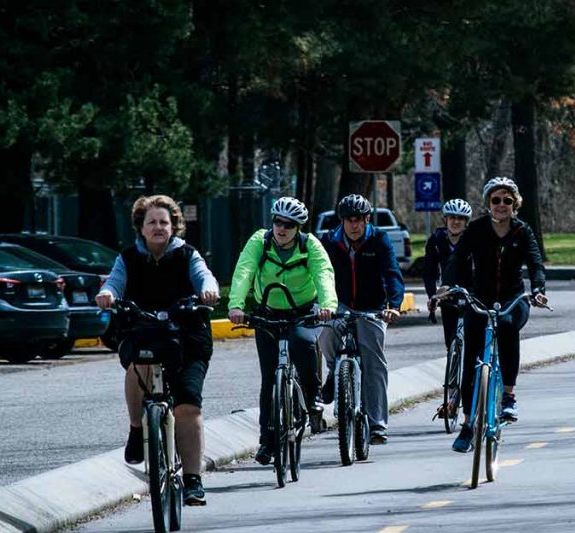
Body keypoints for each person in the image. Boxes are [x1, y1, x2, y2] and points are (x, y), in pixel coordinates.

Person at [96, 195, 219, 506]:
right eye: (152, 222)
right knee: (138, 364)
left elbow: (205, 276)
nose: (159, 227)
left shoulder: (187, 255)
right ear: (141, 227)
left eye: (164, 222)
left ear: (174, 226)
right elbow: (114, 282)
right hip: (143, 330)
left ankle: (193, 480)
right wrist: (107, 294)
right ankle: (137, 428)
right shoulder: (128, 258)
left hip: (187, 335)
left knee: (187, 407)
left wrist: (209, 291)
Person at [227, 197, 337, 466]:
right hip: (268, 312)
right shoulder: (259, 242)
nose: (282, 228)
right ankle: (267, 441)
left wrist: (327, 305)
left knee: (302, 342)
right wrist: (236, 305)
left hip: (304, 310)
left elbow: (324, 274)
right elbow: (244, 271)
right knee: (269, 379)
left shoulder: (310, 245)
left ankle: (314, 397)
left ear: (298, 227)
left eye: (289, 224)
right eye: (278, 222)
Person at [441, 177, 547, 453]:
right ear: (488, 203)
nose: (501, 205)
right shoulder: (476, 230)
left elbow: (536, 263)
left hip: (514, 299)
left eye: (507, 200)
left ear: (515, 205)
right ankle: (467, 425)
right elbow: (457, 259)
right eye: (496, 200)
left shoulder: (523, 232)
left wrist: (538, 289)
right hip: (481, 299)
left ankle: (508, 397)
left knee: (508, 327)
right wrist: (447, 285)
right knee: (471, 359)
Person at [319, 193, 405, 445]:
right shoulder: (329, 241)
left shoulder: (379, 239)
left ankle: (377, 424)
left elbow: (392, 273)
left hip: (372, 307)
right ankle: (335, 370)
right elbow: (320, 274)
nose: (354, 225)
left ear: (367, 219)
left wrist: (394, 305)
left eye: (359, 220)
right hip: (339, 304)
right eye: (349, 220)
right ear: (342, 221)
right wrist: (323, 305)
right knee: (326, 331)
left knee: (374, 362)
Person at [424, 198, 473, 349]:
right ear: (446, 220)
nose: (456, 222)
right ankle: (453, 365)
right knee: (451, 342)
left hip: (471, 292)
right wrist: (433, 295)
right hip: (447, 293)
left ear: (466, 222)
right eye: (452, 217)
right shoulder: (437, 240)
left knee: (473, 340)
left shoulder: (474, 239)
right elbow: (429, 272)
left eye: (460, 218)